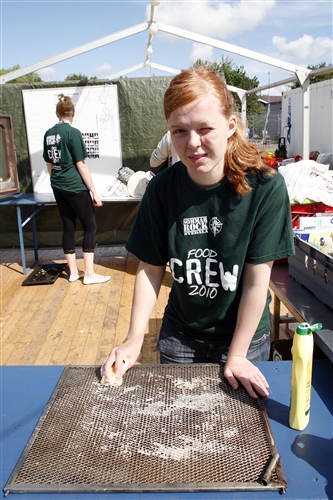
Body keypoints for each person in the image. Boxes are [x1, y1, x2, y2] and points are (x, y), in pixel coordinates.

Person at [101, 66, 294, 398]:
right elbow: (149, 269)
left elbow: (255, 281)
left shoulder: (266, 187)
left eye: (205, 128)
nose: (192, 145)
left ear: (230, 126)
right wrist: (134, 340)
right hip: (180, 338)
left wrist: (236, 355)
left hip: (245, 340)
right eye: (179, 131)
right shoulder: (161, 190)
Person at [43, 94, 110, 285]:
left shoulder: (48, 134)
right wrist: (94, 192)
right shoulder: (73, 133)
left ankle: (73, 272)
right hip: (75, 186)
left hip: (58, 186)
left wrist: (58, 180)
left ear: (57, 113)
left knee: (68, 227)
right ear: (72, 112)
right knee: (90, 226)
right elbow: (81, 165)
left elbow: (49, 164)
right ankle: (89, 274)